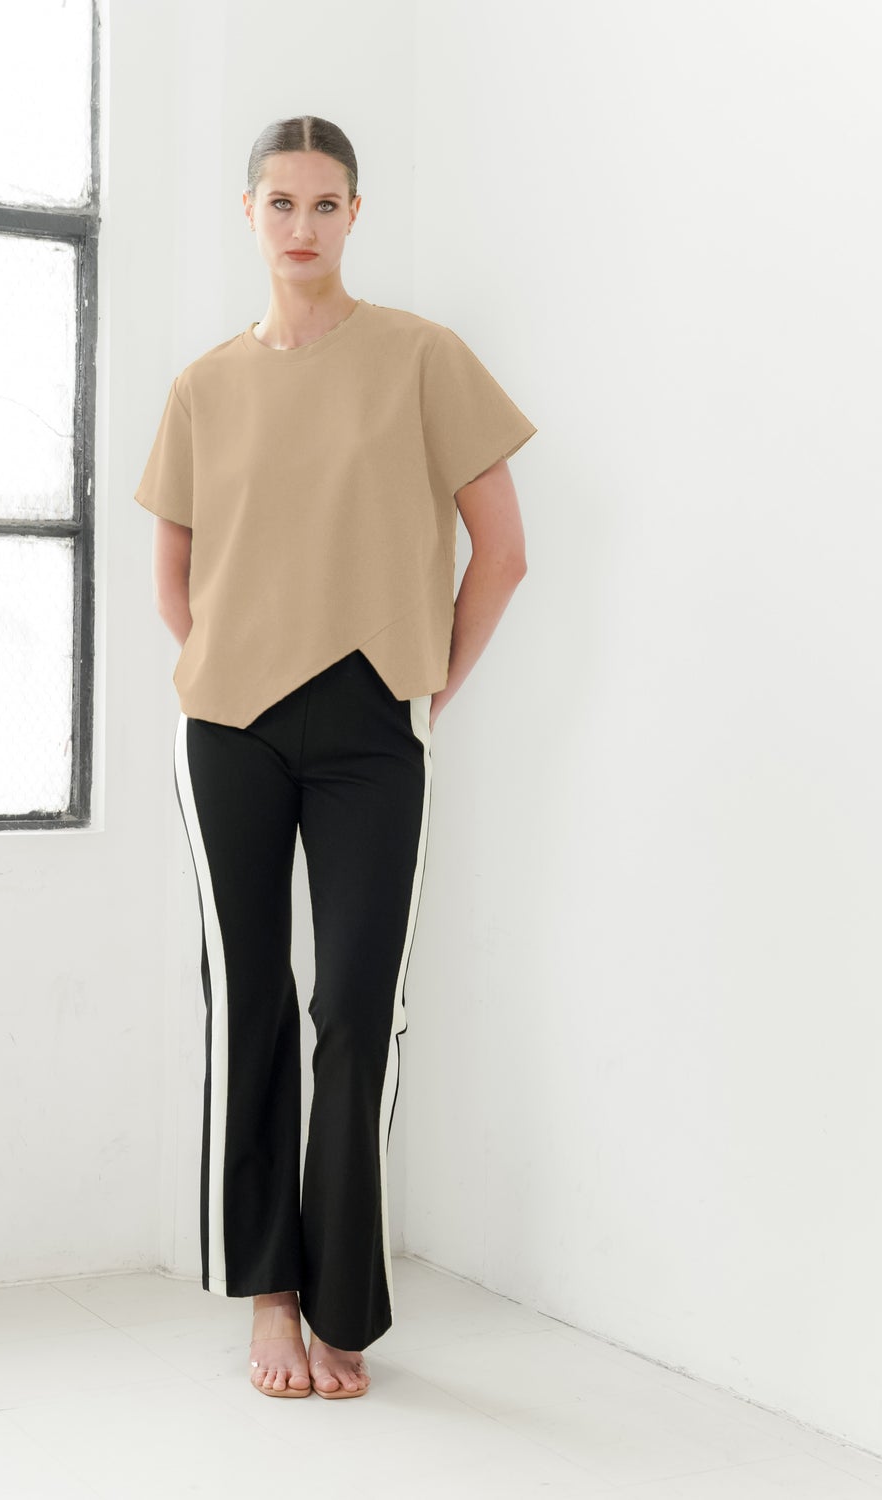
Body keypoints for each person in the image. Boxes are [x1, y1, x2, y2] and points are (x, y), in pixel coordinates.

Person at [134, 115, 536, 1401]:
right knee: (249, 1000)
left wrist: (424, 691)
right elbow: (173, 580)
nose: (301, 226)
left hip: (373, 726)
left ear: (356, 214)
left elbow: (503, 554)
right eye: (280, 202)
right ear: (247, 214)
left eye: (325, 203)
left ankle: (344, 1298)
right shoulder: (203, 386)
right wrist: (235, 672)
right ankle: (269, 1292)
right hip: (230, 730)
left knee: (359, 1012)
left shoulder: (423, 358)